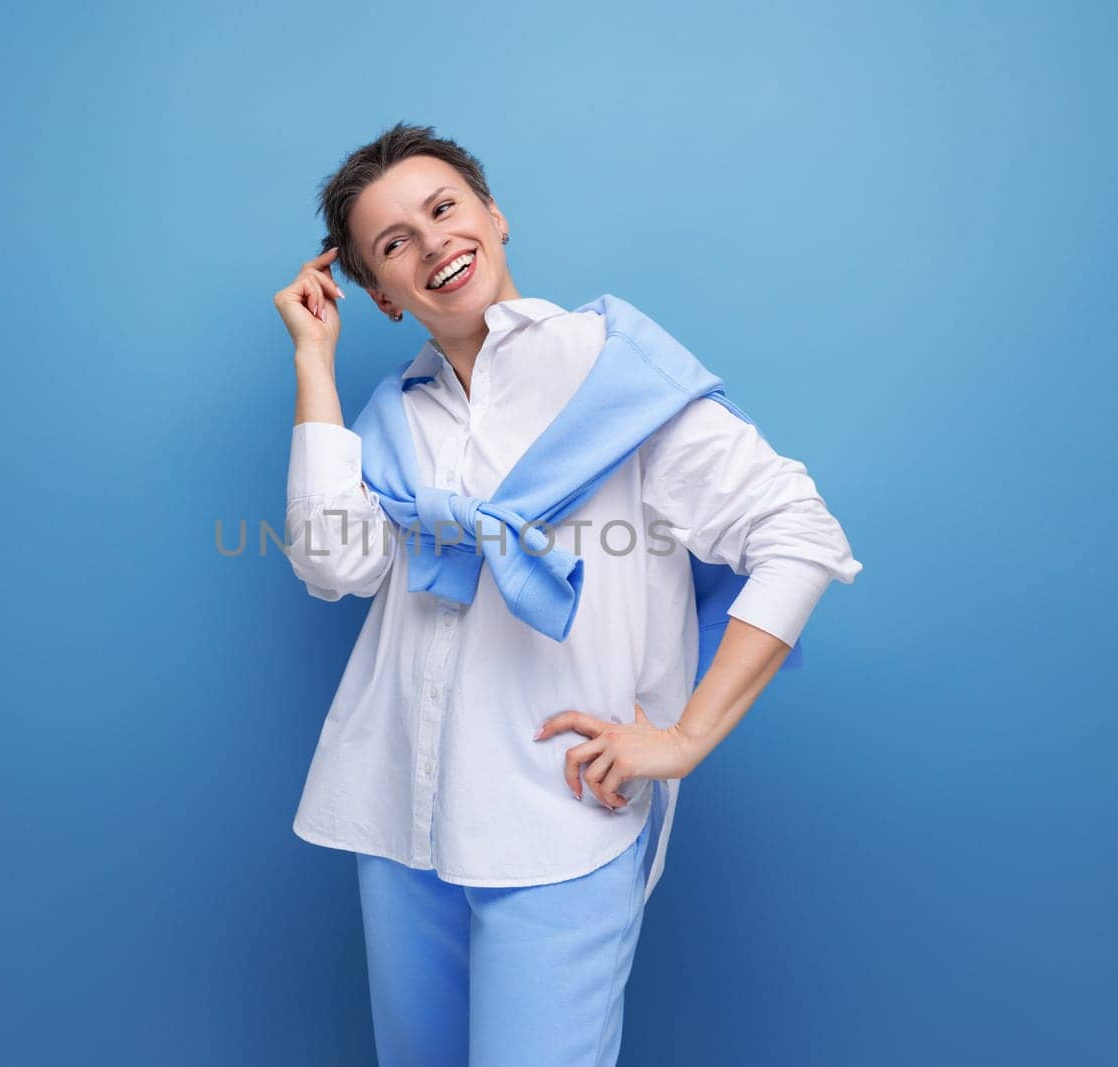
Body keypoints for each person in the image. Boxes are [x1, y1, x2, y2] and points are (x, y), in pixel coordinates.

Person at [272, 121, 862, 1066]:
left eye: (444, 208)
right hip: (395, 813)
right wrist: (313, 361)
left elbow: (800, 533)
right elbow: (333, 564)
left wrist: (684, 736)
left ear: (494, 216)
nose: (432, 245)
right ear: (380, 294)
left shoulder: (611, 371)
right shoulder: (394, 414)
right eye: (393, 244)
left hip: (555, 822)